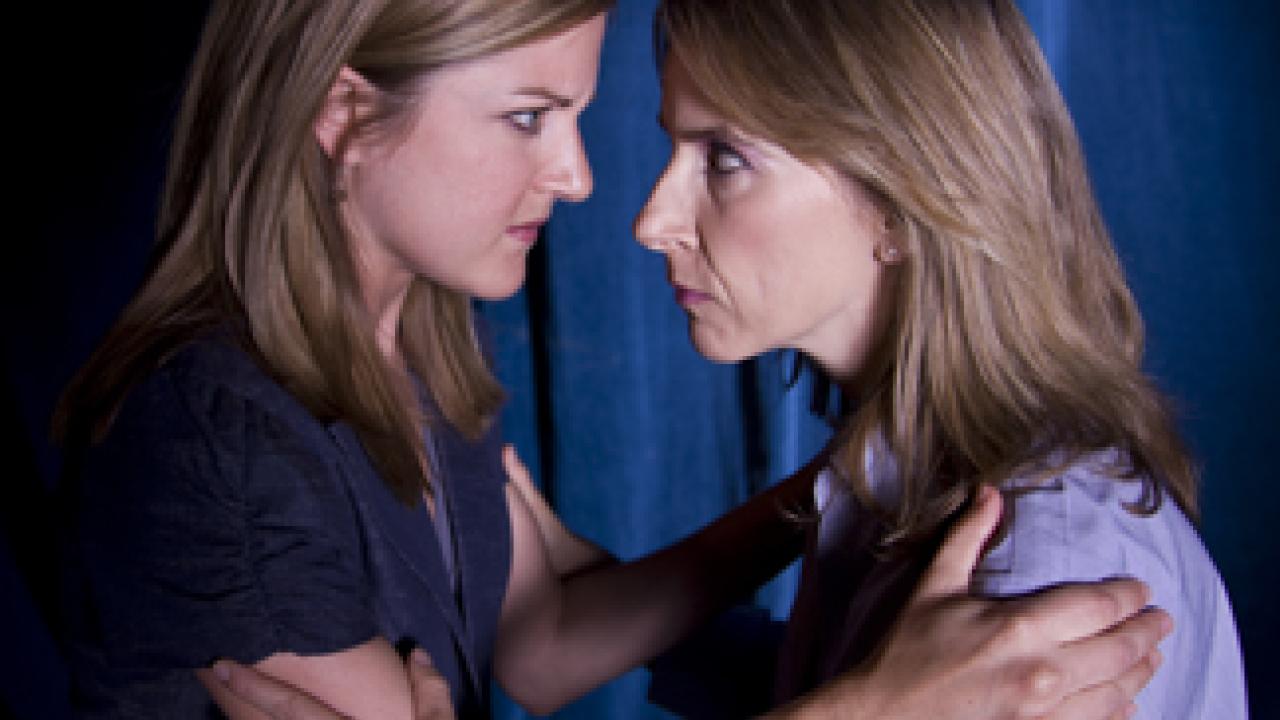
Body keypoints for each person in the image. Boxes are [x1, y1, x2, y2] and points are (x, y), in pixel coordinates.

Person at [55, 0, 1170, 718]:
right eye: (528, 118)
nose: (585, 183)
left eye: (576, 117)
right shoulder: (221, 442)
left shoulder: (423, 350)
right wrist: (878, 711)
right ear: (345, 112)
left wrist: (840, 490)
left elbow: (537, 647)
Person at [632, 0, 1248, 717]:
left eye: (726, 159)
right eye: (677, 150)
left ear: (901, 200)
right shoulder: (890, 480)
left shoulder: (1035, 579)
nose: (653, 222)